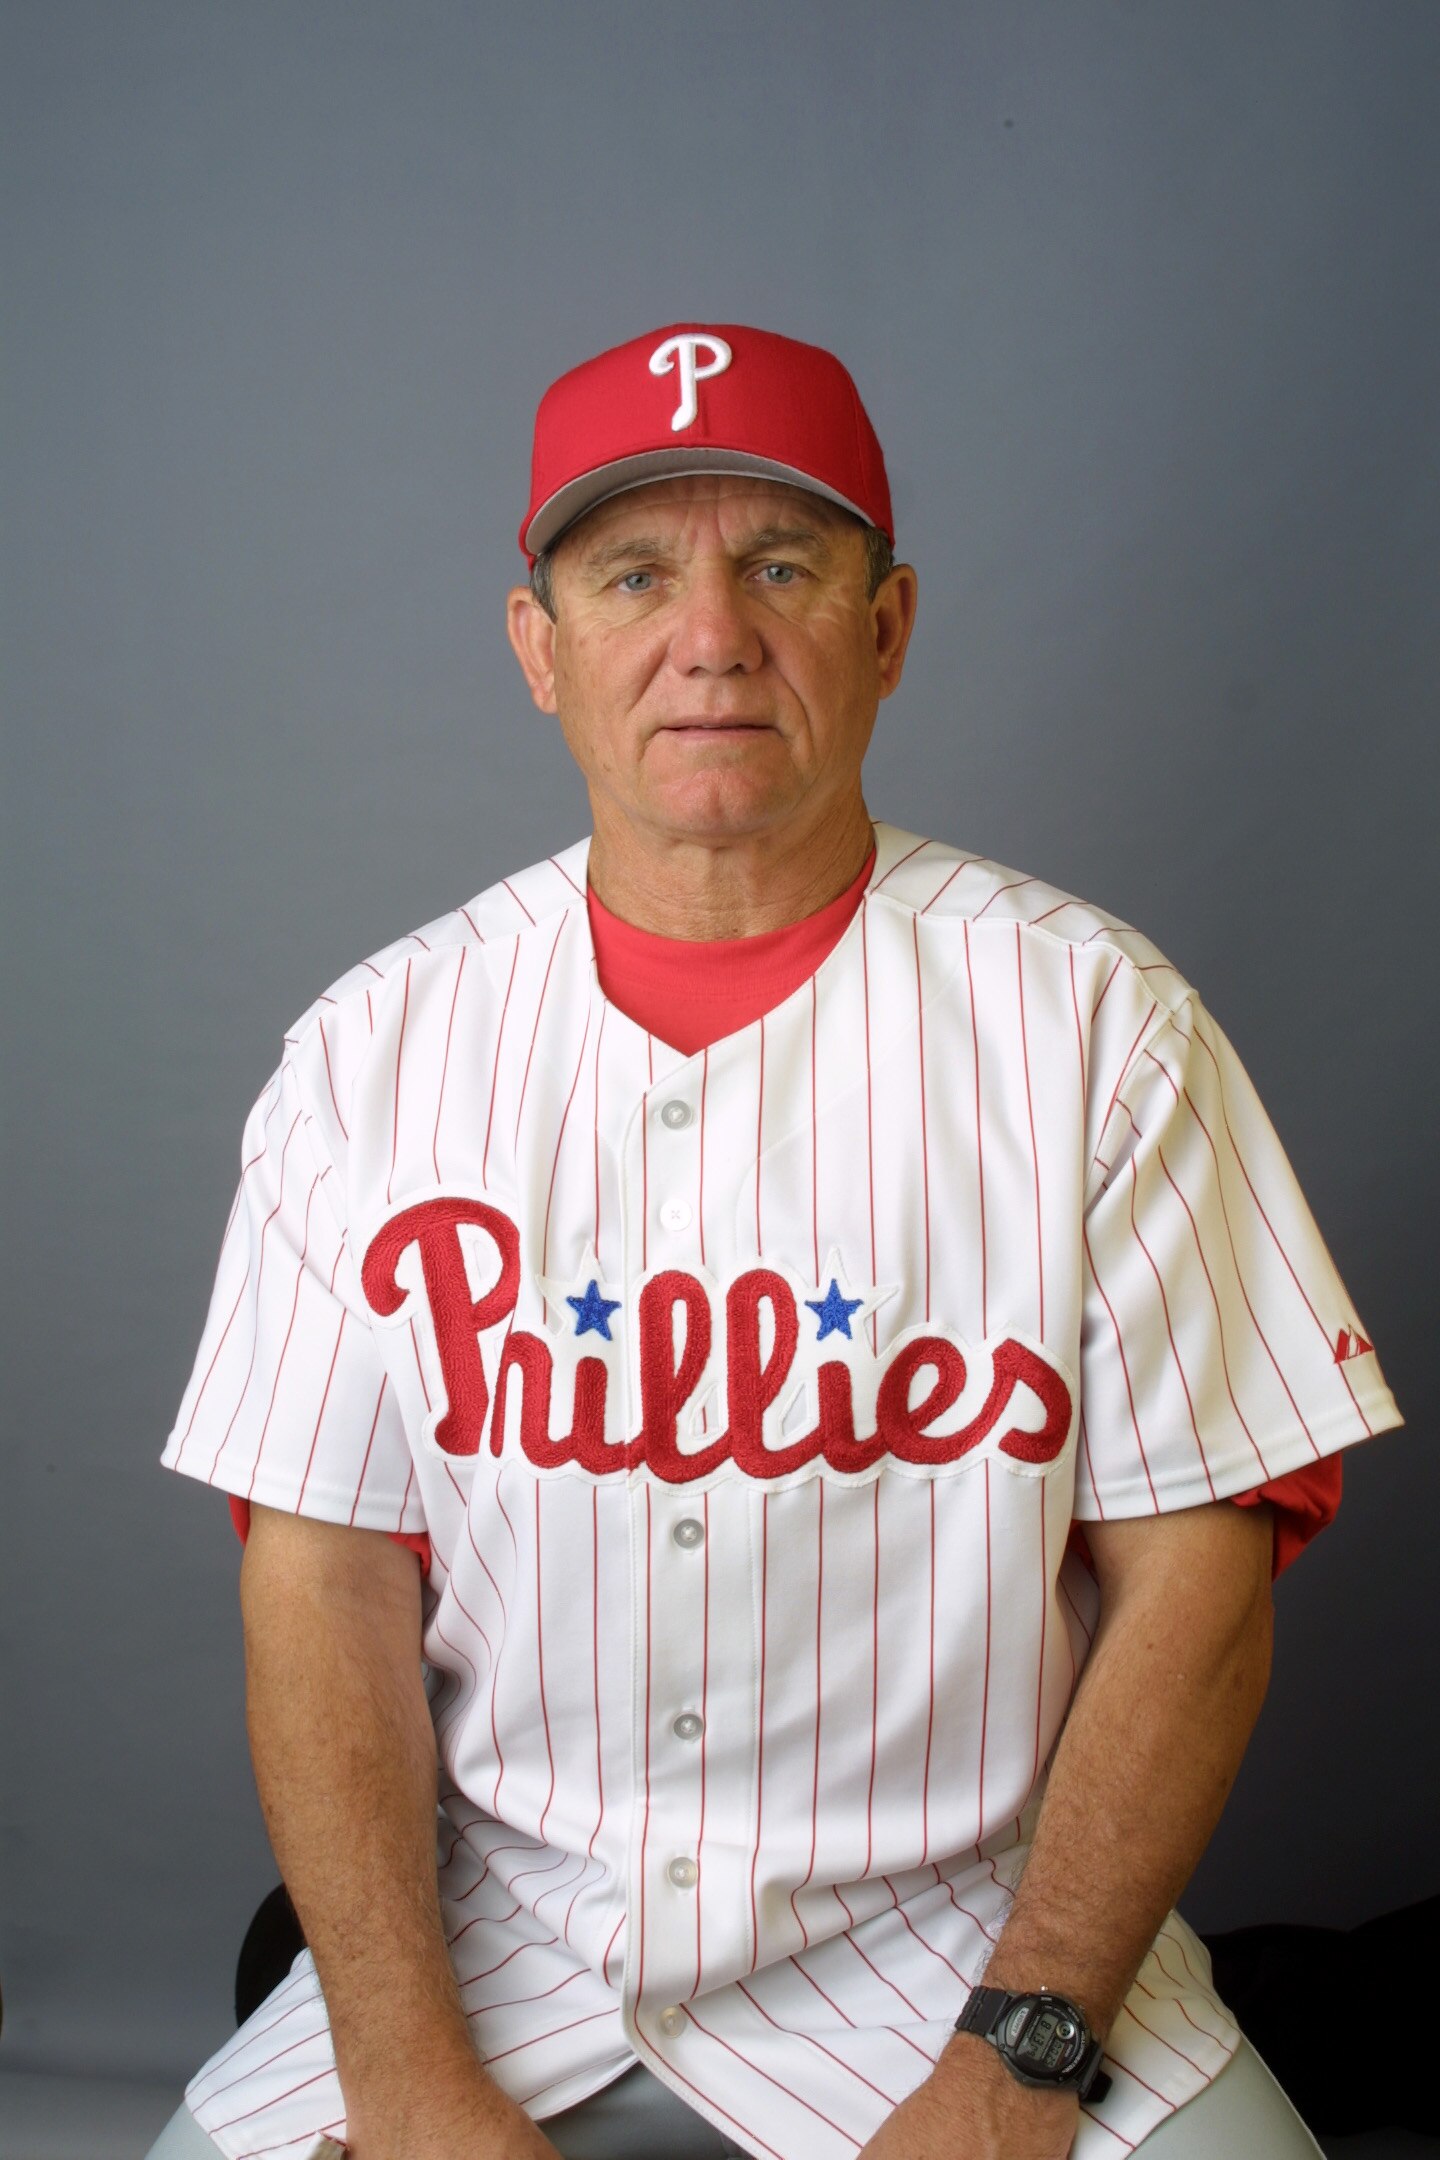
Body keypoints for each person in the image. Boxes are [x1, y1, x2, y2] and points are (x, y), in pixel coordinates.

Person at [150, 323, 1403, 2160]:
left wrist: (1024, 2053)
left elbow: (1197, 1582)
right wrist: (407, 2064)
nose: (712, 633)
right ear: (540, 648)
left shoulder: (1098, 1026)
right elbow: (321, 1589)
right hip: (506, 1927)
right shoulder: (371, 1053)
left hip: (971, 1931)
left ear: (885, 630)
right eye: (635, 572)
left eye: (784, 566)